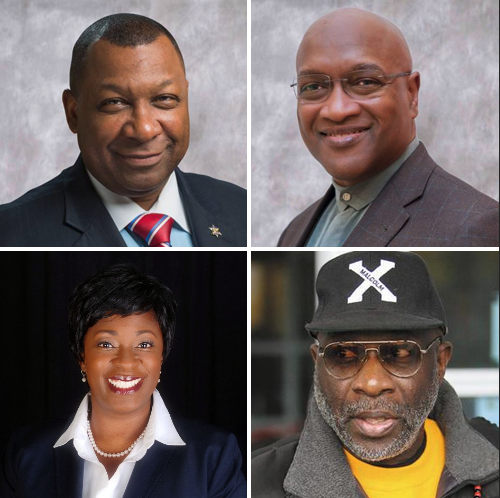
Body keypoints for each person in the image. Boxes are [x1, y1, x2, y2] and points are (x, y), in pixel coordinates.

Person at [252, 251, 499, 498]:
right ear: (318, 363)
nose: (372, 383)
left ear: (440, 362)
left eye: (400, 353)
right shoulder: (255, 482)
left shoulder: (494, 459)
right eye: (344, 355)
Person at [0, 13, 246, 247]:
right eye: (114, 103)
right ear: (73, 113)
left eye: (164, 99)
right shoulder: (13, 233)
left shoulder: (240, 209)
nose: (144, 130)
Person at [0, 264, 246, 497]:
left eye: (144, 344)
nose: (126, 362)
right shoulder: (26, 452)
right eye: (106, 344)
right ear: (81, 356)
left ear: (162, 356)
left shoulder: (212, 457)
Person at [278, 8, 499, 247]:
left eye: (365, 82)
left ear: (411, 95)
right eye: (313, 87)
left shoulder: (476, 228)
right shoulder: (294, 232)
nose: (337, 110)